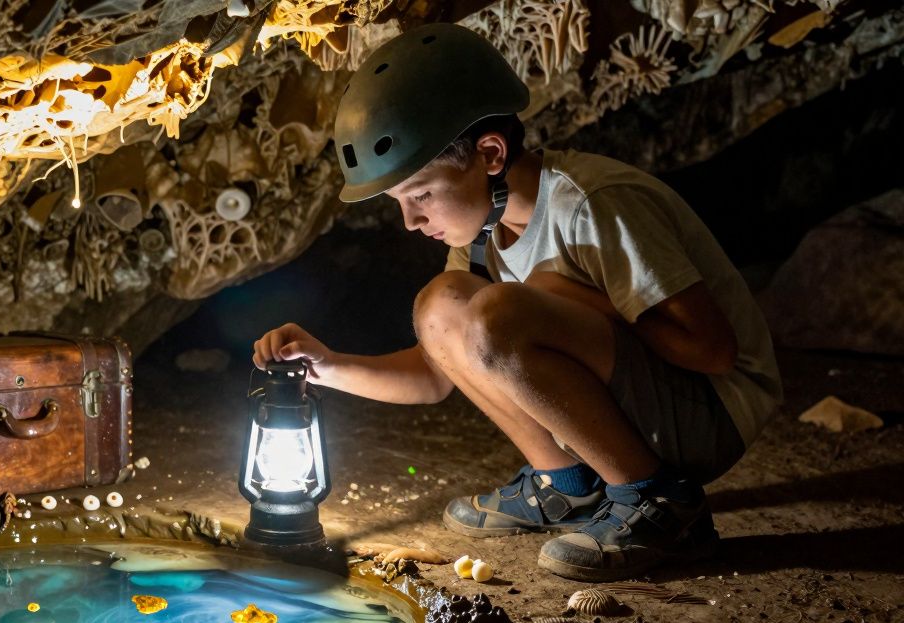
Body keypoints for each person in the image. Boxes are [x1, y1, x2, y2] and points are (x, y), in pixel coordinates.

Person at [251, 23, 781, 582]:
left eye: (422, 194)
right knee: (440, 305)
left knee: (497, 313)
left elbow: (714, 350)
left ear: (489, 154)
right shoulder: (483, 238)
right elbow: (435, 377)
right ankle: (567, 485)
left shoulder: (593, 205)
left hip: (711, 413)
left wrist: (568, 299)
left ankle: (662, 505)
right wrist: (328, 367)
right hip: (653, 408)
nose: (410, 221)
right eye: (398, 203)